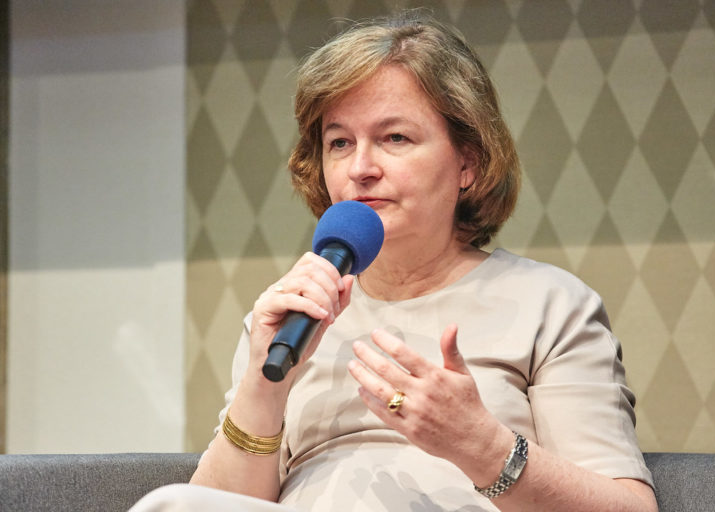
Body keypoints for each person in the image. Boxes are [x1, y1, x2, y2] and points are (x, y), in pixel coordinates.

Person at [134, 10, 657, 512]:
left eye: (395, 138)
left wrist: (482, 445)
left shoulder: (552, 305)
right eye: (340, 142)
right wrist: (263, 383)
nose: (360, 168)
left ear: (468, 162)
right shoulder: (293, 315)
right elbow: (217, 506)